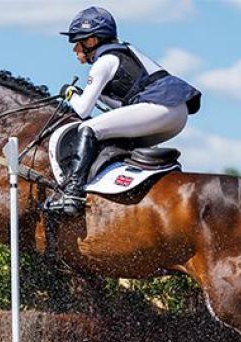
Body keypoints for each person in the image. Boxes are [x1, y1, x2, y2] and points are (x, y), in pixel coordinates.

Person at [47, 6, 201, 215]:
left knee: (88, 129)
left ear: (91, 41)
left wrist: (70, 93)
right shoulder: (125, 52)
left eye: (77, 42)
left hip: (160, 108)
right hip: (176, 114)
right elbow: (125, 108)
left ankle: (72, 193)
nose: (75, 49)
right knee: (114, 137)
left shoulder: (104, 62)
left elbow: (82, 111)